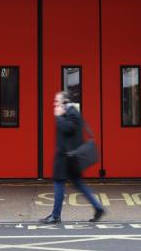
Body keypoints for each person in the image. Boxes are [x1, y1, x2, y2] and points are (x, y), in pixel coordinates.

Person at [39, 91, 106, 224]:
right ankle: (98, 207)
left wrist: (58, 117)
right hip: (68, 157)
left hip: (66, 158)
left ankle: (56, 215)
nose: (55, 103)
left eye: (57, 101)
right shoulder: (70, 112)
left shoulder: (72, 112)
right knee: (78, 184)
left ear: (65, 102)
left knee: (59, 184)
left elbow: (68, 128)